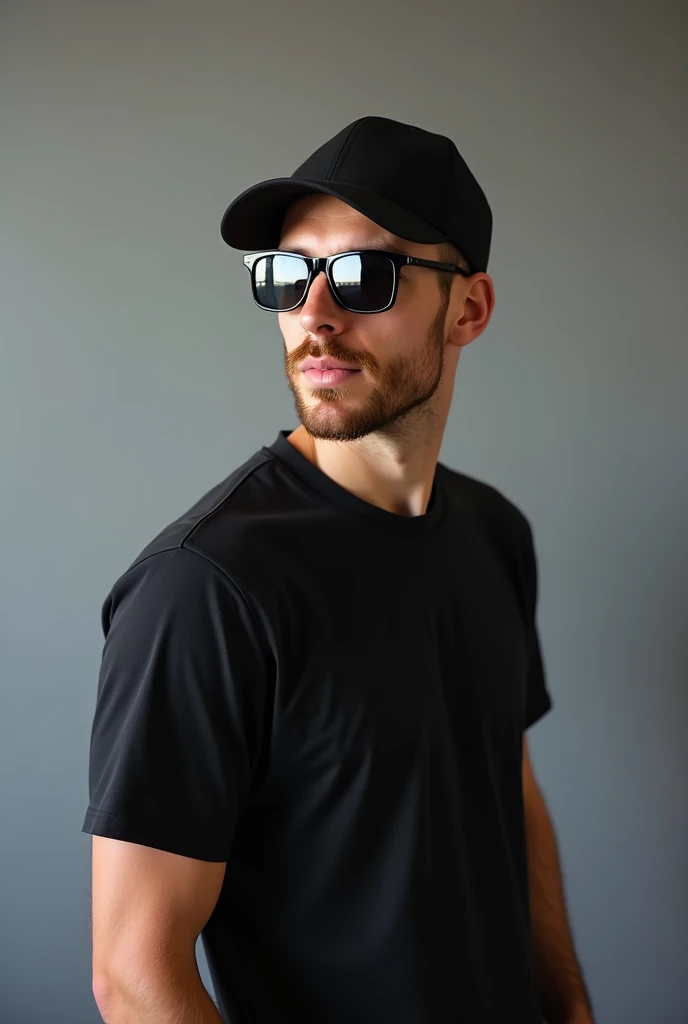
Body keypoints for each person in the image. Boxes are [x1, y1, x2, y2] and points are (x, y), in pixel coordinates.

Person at [83, 116, 595, 1024]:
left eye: (366, 274)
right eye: (286, 274)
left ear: (467, 309)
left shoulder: (492, 534)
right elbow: (134, 977)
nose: (314, 314)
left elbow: (505, 787)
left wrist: (569, 1007)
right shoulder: (204, 589)